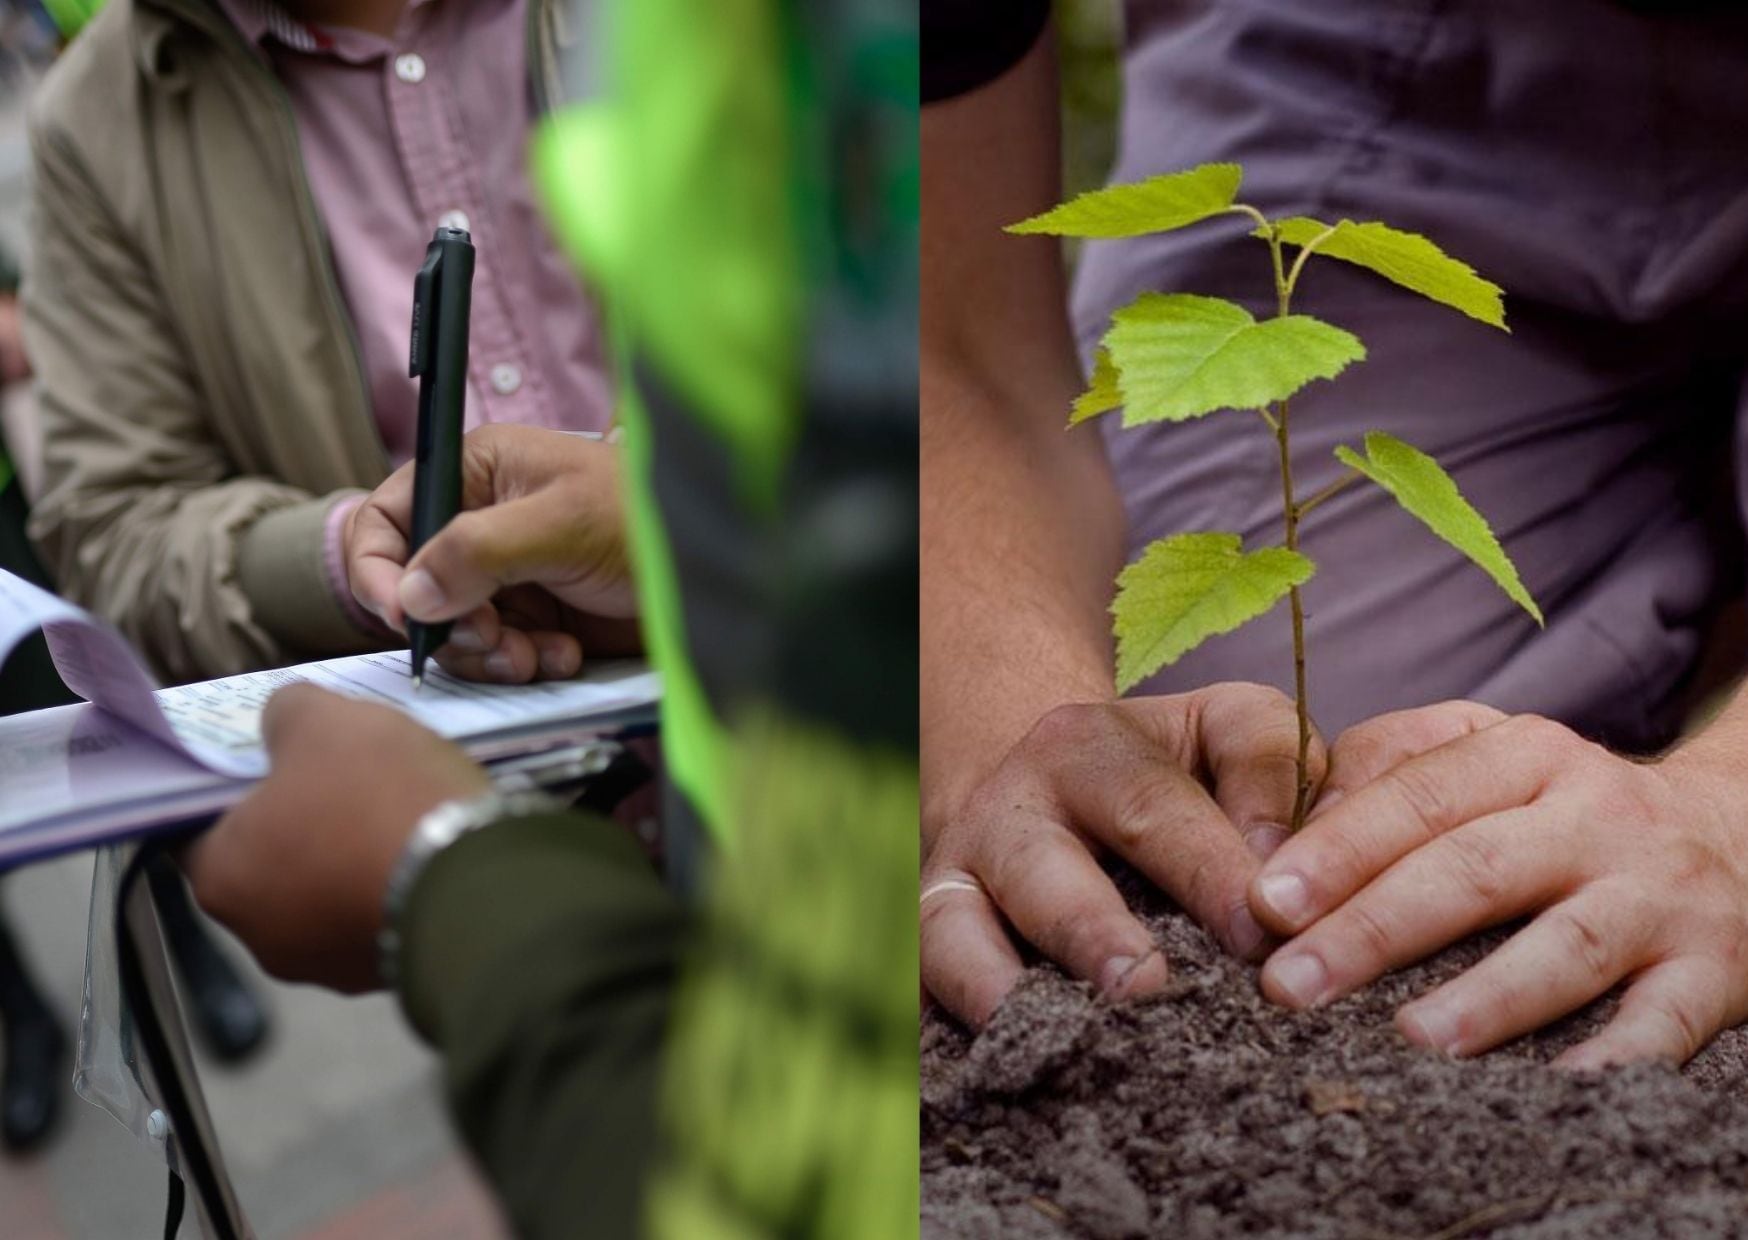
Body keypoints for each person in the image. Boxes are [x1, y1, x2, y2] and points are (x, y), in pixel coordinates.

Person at [922, 0, 1748, 1066]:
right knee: (1284, 785)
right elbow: (936, 336)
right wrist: (1010, 750)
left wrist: (1722, 810)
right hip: (1407, 57)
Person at [22, 0, 621, 685]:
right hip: (439, 743)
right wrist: (352, 555)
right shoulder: (98, 116)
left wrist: (642, 503)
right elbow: (118, 534)